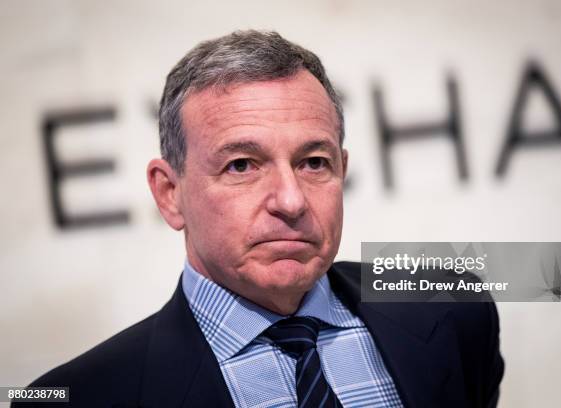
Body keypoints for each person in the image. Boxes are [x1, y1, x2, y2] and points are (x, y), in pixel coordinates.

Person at [17, 30, 504, 408]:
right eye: (242, 166)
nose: (291, 201)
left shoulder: (451, 305)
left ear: (343, 171)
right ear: (170, 194)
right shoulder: (77, 395)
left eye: (314, 162)